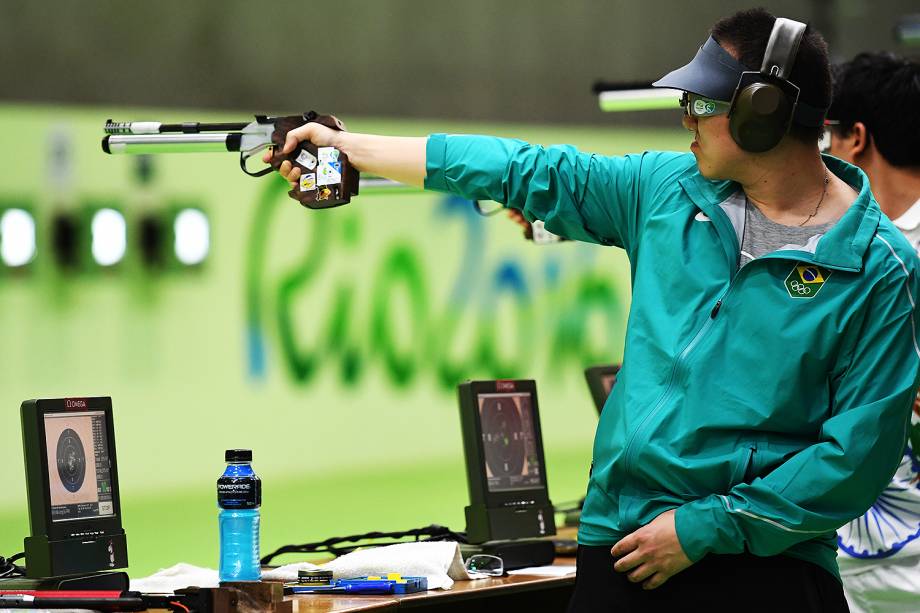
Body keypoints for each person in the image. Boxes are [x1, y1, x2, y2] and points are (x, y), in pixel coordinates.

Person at [265, 8, 919, 610]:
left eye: (699, 102)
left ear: (763, 111)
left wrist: (704, 526)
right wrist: (353, 149)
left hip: (767, 565)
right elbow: (520, 169)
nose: (684, 117)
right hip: (625, 547)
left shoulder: (882, 269)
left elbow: (852, 457)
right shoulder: (666, 192)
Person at [824, 51, 920, 612]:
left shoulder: (890, 254)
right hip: (860, 563)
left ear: (856, 138)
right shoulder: (860, 240)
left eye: (828, 139)